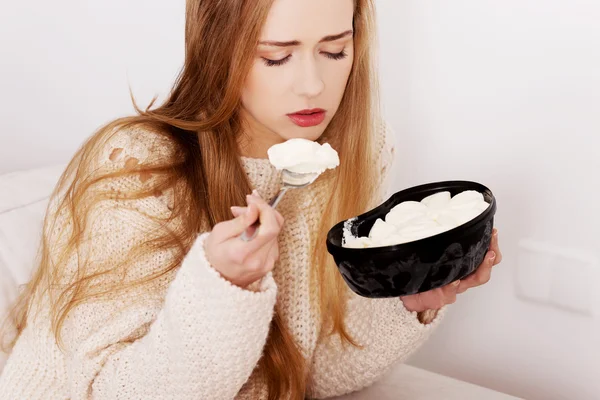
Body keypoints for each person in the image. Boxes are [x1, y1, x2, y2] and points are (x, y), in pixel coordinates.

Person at [0, 0, 503, 399]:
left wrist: (408, 300)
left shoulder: (353, 152)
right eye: (275, 56)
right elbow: (108, 391)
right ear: (220, 50)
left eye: (334, 50)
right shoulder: (138, 165)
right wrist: (223, 287)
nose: (312, 86)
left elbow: (301, 370)